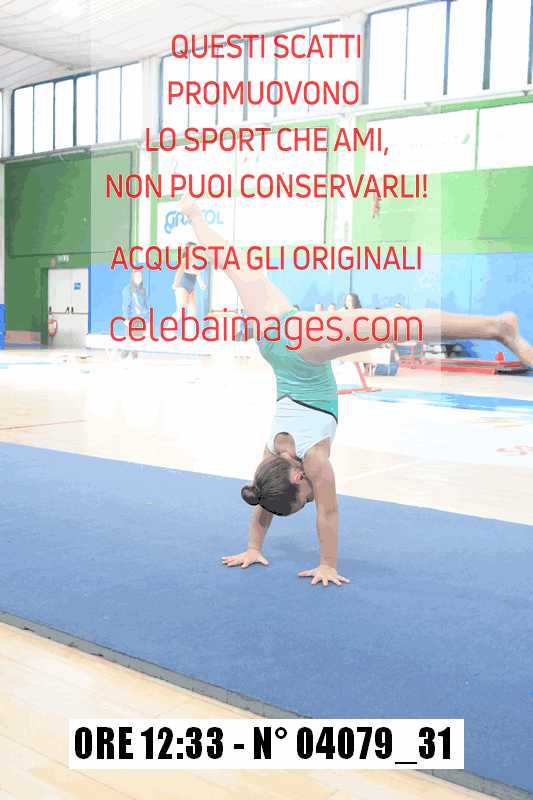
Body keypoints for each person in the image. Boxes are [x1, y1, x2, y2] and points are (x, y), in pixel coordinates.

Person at [179, 194, 533, 588]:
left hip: (303, 347)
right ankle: (195, 216)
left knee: (398, 325)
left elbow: (328, 514)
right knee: (232, 265)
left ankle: (496, 328)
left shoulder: (314, 462)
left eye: (304, 498)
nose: (311, 499)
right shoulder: (269, 463)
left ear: (298, 476)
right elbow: (263, 500)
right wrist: (252, 546)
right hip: (273, 336)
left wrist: (327, 565)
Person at [173, 240, 207, 325]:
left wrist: (201, 284)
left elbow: (197, 274)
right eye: (194, 249)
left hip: (191, 286)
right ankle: (169, 328)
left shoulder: (195, 261)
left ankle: (190, 331)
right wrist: (175, 284)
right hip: (182, 285)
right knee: (181, 311)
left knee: (193, 311)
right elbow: (179, 272)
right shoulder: (185, 260)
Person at [121, 272, 149, 359]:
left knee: (136, 343)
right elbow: (125, 305)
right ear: (132, 277)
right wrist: (126, 318)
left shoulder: (143, 290)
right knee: (128, 343)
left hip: (140, 319)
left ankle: (134, 358)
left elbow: (145, 305)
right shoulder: (127, 289)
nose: (138, 277)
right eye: (136, 276)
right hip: (131, 319)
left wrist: (146, 319)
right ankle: (123, 358)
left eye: (140, 276)